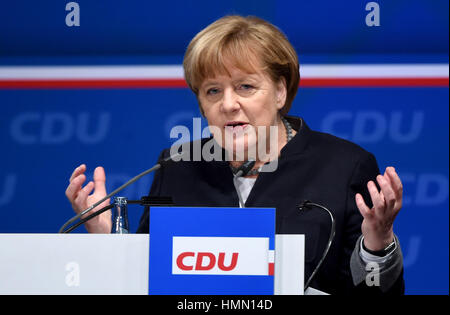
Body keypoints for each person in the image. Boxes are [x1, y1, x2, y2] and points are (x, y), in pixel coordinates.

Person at [65, 15, 404, 294]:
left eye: (245, 86)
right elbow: (143, 281)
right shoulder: (177, 165)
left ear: (281, 91)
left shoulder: (344, 166)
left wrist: (378, 244)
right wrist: (108, 241)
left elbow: (375, 291)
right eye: (213, 91)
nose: (228, 104)